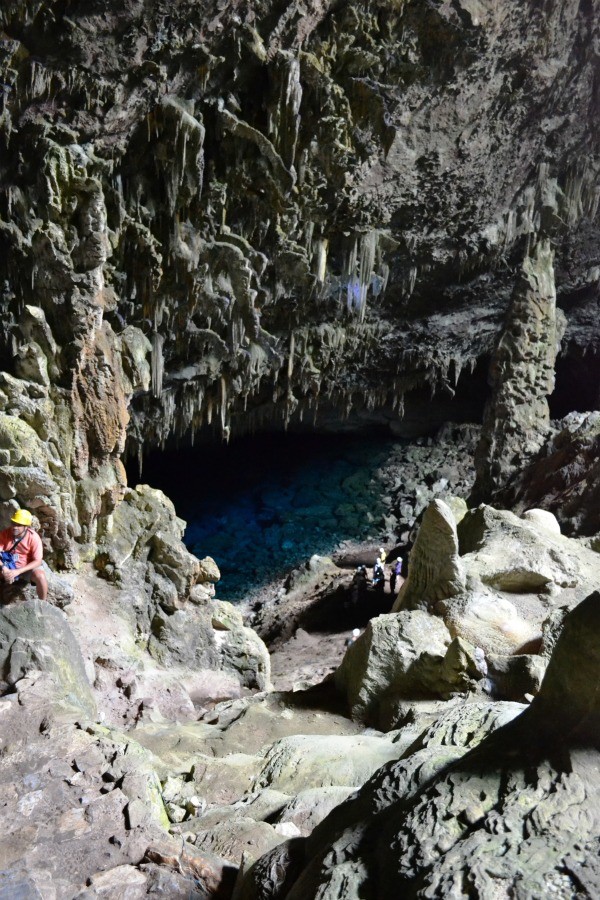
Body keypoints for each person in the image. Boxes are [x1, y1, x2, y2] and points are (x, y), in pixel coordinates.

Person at [0, 509, 48, 600]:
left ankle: (43, 603)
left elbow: (38, 561)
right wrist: (4, 568)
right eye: (13, 523)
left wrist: (18, 571)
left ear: (26, 526)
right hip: (7, 566)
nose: (15, 527)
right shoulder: (5, 534)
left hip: (25, 568)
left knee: (40, 576)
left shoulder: (33, 537)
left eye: (19, 525)